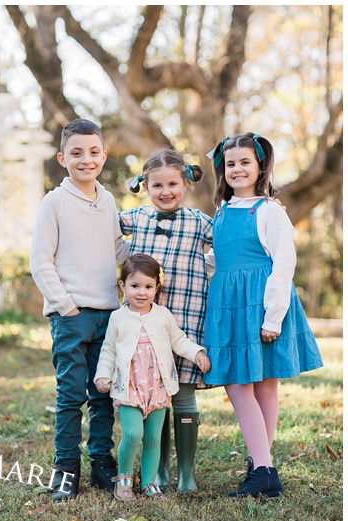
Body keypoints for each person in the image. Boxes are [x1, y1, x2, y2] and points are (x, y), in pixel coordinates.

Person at [202, 133, 323, 498]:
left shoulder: (270, 210)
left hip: (261, 303)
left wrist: (273, 318)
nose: (237, 169)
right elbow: (220, 259)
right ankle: (262, 464)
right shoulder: (221, 213)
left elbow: (283, 264)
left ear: (260, 167)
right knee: (248, 382)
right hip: (229, 302)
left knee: (256, 382)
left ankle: (264, 468)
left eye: (244, 162)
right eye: (230, 163)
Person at [29, 119, 127, 502]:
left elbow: (118, 250)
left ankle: (101, 463)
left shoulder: (108, 200)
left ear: (103, 155)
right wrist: (66, 307)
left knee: (103, 393)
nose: (86, 160)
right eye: (76, 153)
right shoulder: (54, 202)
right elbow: (41, 261)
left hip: (109, 315)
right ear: (62, 158)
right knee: (71, 395)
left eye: (93, 152)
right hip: (71, 317)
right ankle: (65, 468)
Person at [118, 149, 213, 493]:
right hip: (145, 325)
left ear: (185, 183)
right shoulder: (135, 218)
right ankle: (160, 469)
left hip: (186, 318)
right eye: (157, 185)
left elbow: (232, 242)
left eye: (173, 183)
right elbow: (99, 223)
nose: (166, 191)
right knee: (153, 395)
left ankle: (187, 471)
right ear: (145, 186)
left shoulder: (199, 222)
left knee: (183, 395)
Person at [95, 254, 210, 501]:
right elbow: (109, 349)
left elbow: (178, 341)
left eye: (148, 287)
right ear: (122, 286)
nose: (141, 292)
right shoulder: (118, 317)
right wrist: (102, 375)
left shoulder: (162, 315)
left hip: (158, 388)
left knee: (153, 438)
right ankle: (124, 478)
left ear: (157, 288)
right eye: (135, 286)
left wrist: (197, 352)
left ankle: (149, 484)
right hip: (129, 388)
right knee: (134, 433)